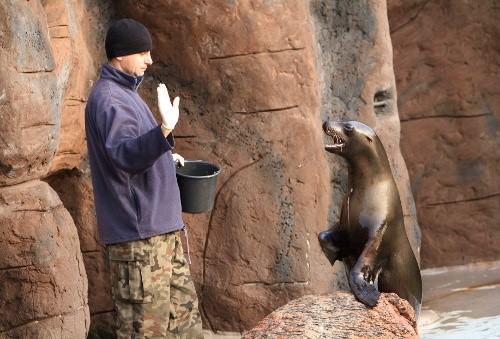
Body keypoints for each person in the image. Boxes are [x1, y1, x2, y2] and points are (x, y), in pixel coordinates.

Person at [85, 18, 203, 338]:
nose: (150, 60)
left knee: (185, 327)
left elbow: (136, 148)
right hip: (139, 240)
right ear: (121, 55)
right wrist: (164, 130)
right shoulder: (109, 98)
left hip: (160, 232)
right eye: (143, 53)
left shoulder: (127, 93)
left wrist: (165, 154)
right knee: (144, 331)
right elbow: (124, 155)